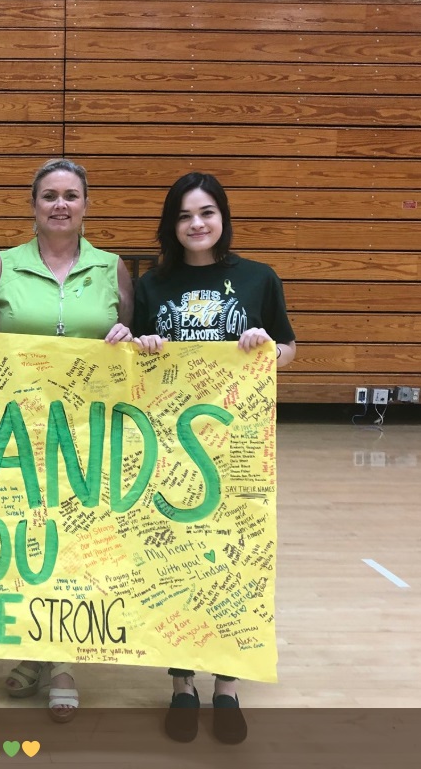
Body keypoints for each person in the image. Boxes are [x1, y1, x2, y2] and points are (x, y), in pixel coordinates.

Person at [131, 171, 296, 746]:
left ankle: (226, 686)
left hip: (238, 446)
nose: (196, 224)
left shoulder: (258, 278)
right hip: (170, 447)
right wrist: (142, 346)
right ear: (171, 225)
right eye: (184, 215)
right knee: (175, 561)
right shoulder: (153, 284)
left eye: (206, 212)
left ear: (222, 217)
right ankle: (181, 684)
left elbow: (290, 348)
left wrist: (267, 349)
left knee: (233, 561)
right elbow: (135, 363)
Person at [0, 157, 134, 723]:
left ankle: (62, 661)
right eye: (49, 196)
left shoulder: (113, 268)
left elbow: (133, 353)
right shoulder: (3, 266)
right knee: (27, 545)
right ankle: (31, 648)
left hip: (90, 436)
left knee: (74, 547)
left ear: (86, 205)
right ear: (33, 205)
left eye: (71, 195)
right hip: (19, 433)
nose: (60, 205)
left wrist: (127, 337)